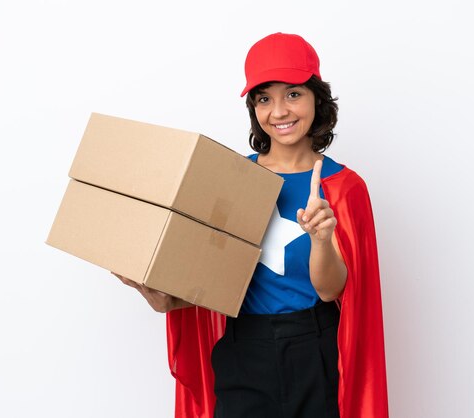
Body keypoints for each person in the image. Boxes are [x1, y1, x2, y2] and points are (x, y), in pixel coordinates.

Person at [114, 32, 388, 418]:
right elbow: (211, 279)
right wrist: (167, 300)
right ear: (253, 109)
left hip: (316, 351)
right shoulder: (230, 181)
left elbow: (332, 293)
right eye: (264, 98)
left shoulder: (344, 188)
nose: (279, 111)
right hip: (245, 350)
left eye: (293, 93)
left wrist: (321, 239)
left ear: (316, 99)